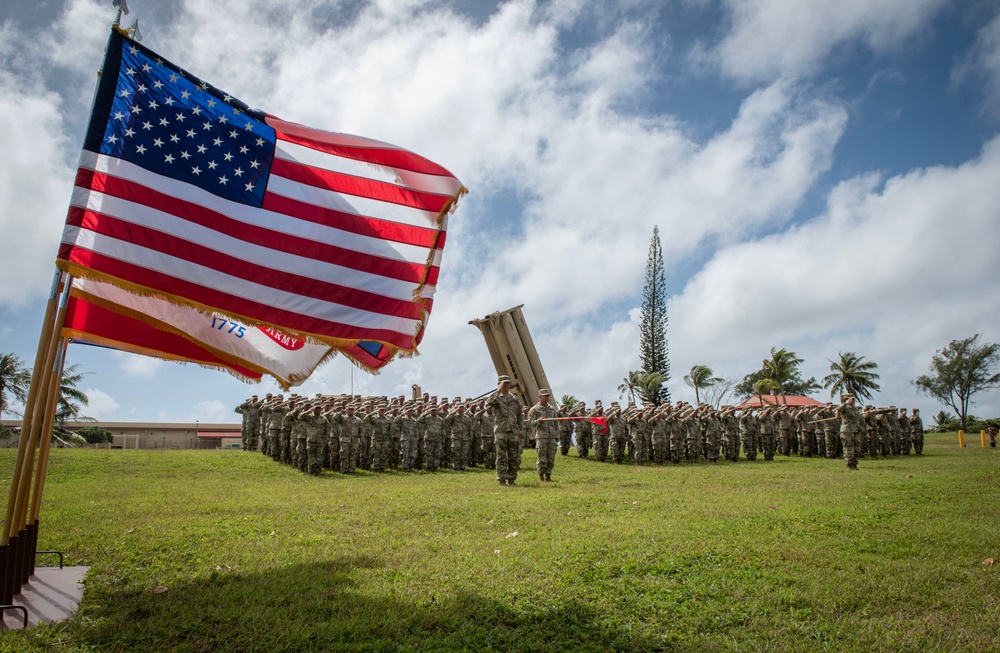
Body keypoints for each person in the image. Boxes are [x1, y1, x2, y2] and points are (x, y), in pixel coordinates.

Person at [488, 375, 525, 486]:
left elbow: (519, 415)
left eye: (508, 383)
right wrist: (498, 390)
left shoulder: (514, 399)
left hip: (513, 431)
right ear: (499, 383)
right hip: (501, 431)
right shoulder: (496, 397)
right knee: (501, 456)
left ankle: (512, 479)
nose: (507, 385)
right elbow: (490, 403)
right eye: (504, 383)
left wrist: (521, 429)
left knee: (514, 456)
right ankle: (502, 480)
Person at [528, 389, 559, 482]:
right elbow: (531, 423)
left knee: (551, 457)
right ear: (540, 397)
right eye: (544, 396)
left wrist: (557, 434)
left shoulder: (552, 409)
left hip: (552, 437)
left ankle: (548, 475)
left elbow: (556, 423)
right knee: (542, 457)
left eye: (548, 396)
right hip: (542, 437)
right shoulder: (534, 409)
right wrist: (538, 421)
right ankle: (541, 475)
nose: (547, 397)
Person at [837, 395, 864, 470]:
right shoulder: (844, 408)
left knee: (857, 449)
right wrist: (845, 403)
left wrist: (861, 428)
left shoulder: (855, 409)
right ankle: (849, 464)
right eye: (851, 399)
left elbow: (859, 420)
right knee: (849, 448)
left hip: (856, 430)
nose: (853, 401)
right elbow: (838, 410)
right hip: (847, 431)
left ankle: (855, 464)